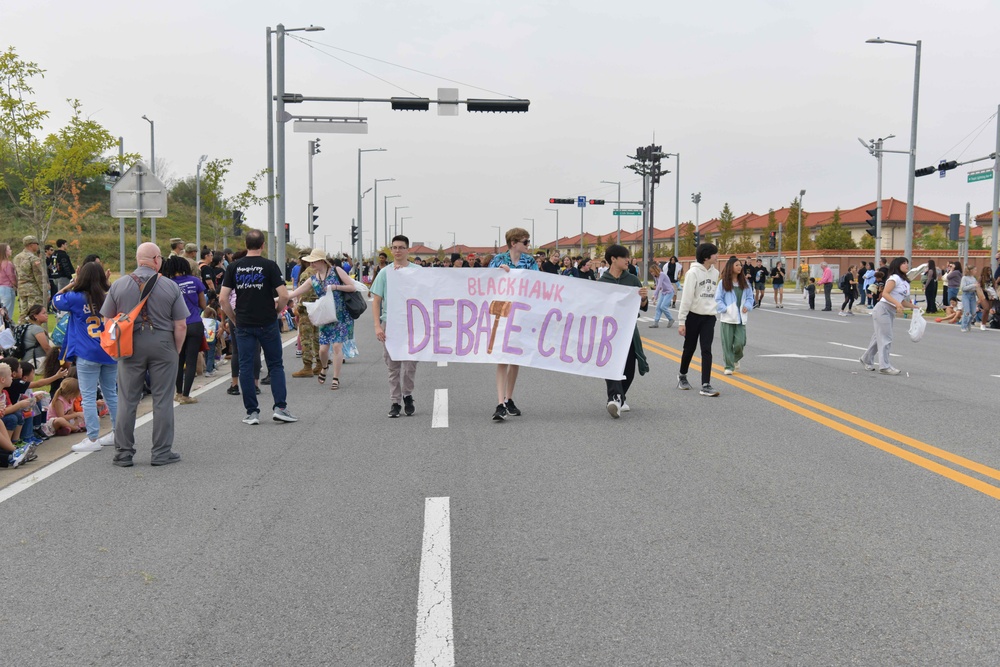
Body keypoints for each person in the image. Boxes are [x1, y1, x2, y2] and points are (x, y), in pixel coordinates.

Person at [101, 242, 189, 467]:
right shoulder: (169, 286)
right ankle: (161, 452)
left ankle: (123, 453)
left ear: (138, 260)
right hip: (163, 343)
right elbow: (181, 325)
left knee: (127, 400)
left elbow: (107, 320)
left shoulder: (119, 285)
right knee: (162, 400)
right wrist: (175, 351)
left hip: (129, 344)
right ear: (157, 260)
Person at [219, 229, 298, 426]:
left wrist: (234, 318)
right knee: (275, 364)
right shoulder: (269, 266)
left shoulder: (234, 267)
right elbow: (284, 295)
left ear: (245, 245)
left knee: (245, 366)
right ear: (263, 245)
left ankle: (252, 412)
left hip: (244, 323)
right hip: (267, 322)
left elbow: (223, 299)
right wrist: (277, 311)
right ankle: (280, 408)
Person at [52, 261, 118, 453]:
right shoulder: (109, 297)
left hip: (87, 352)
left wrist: (72, 282)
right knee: (111, 394)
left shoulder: (75, 297)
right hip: (109, 350)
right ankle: (117, 432)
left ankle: (92, 438)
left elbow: (55, 300)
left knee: (88, 397)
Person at [287, 248, 356, 390]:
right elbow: (295, 292)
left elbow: (352, 287)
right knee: (323, 350)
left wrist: (335, 287)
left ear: (321, 261)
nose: (311, 265)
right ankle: (324, 367)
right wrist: (279, 298)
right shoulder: (313, 279)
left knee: (337, 346)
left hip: (340, 315)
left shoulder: (337, 271)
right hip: (325, 316)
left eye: (313, 262)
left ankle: (336, 378)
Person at [488, 227, 539, 421]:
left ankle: (509, 399)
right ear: (513, 243)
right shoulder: (498, 260)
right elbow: (486, 281)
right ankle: (500, 403)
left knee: (515, 358)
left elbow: (537, 283)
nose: (528, 245)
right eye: (525, 242)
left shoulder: (530, 261)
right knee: (502, 358)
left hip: (522, 314)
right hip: (501, 313)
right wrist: (499, 273)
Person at [371, 235, 419, 418]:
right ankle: (395, 401)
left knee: (410, 364)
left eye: (401, 247)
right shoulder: (385, 273)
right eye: (394, 247)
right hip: (390, 322)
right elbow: (376, 300)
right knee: (392, 365)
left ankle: (407, 394)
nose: (397, 250)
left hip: (412, 322)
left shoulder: (417, 271)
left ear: (408, 250)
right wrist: (377, 326)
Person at [600, 244, 649, 418]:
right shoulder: (602, 282)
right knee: (611, 364)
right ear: (613, 259)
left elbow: (643, 307)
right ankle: (614, 397)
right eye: (625, 257)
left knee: (629, 366)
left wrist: (643, 299)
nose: (628, 260)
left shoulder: (633, 280)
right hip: (609, 332)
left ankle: (620, 397)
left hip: (628, 330)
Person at [677, 243, 721, 397]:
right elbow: (686, 298)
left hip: (709, 317)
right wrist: (682, 321)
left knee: (706, 349)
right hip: (693, 316)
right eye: (715, 254)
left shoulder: (716, 273)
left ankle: (706, 384)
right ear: (706, 256)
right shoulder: (693, 273)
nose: (717, 256)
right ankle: (682, 375)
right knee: (689, 348)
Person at [162, 256, 207, 403]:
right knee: (191, 360)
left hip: (175, 325)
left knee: (178, 360)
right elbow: (203, 304)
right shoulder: (195, 281)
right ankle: (186, 395)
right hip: (194, 323)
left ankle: (178, 393)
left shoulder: (168, 284)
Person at [860, 257, 914, 375]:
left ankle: (866, 359)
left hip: (890, 311)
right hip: (883, 309)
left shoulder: (905, 282)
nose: (906, 265)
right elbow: (885, 293)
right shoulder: (894, 278)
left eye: (907, 263)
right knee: (886, 338)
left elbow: (902, 300)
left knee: (878, 337)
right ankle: (884, 366)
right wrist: (897, 304)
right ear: (897, 265)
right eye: (904, 263)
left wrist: (915, 307)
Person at [715, 256, 755, 375]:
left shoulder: (745, 282)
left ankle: (734, 359)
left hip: (741, 317)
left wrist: (747, 306)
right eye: (737, 265)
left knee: (740, 343)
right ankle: (728, 366)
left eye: (740, 265)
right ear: (730, 267)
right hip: (728, 317)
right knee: (727, 343)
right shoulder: (723, 282)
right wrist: (725, 309)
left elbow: (750, 298)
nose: (739, 267)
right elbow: (718, 299)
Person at [13, 236, 48, 323]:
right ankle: (33, 333)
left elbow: (16, 274)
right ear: (31, 245)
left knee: (23, 313)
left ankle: (20, 332)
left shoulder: (17, 258)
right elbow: (38, 276)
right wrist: (45, 290)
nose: (37, 246)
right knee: (34, 314)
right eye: (36, 244)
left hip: (22, 289)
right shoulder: (33, 258)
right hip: (33, 290)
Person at [648, 263, 675, 328]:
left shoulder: (661, 274)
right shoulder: (656, 277)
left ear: (655, 270)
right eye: (651, 272)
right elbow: (658, 286)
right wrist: (655, 298)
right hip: (663, 292)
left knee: (663, 306)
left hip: (669, 292)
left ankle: (671, 319)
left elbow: (659, 285)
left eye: (652, 272)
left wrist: (654, 295)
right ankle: (656, 323)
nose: (651, 273)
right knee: (658, 307)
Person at [958, 265, 979, 333]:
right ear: (971, 271)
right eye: (975, 270)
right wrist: (973, 285)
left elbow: (976, 288)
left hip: (972, 295)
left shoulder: (973, 278)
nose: (976, 271)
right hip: (966, 295)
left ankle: (968, 323)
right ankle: (963, 326)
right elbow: (963, 288)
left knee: (973, 312)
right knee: (967, 312)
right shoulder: (964, 278)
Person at [977, 266, 998, 331]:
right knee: (986, 308)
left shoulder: (991, 278)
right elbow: (978, 287)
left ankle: (983, 324)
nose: (989, 272)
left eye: (990, 271)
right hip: (983, 295)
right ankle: (982, 324)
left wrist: (994, 292)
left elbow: (994, 286)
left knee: (988, 310)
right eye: (988, 271)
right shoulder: (981, 278)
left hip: (990, 295)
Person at [0, 243, 17, 317]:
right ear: (5, 251)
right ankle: (6, 327)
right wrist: (17, 286)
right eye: (9, 249)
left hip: (1, 288)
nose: (11, 250)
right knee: (7, 311)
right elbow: (12, 277)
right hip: (7, 289)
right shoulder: (8, 264)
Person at [202, 307, 219, 377]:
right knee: (211, 356)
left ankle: (209, 368)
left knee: (206, 355)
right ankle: (209, 370)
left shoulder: (202, 321)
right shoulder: (215, 322)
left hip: (204, 340)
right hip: (212, 341)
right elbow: (217, 329)